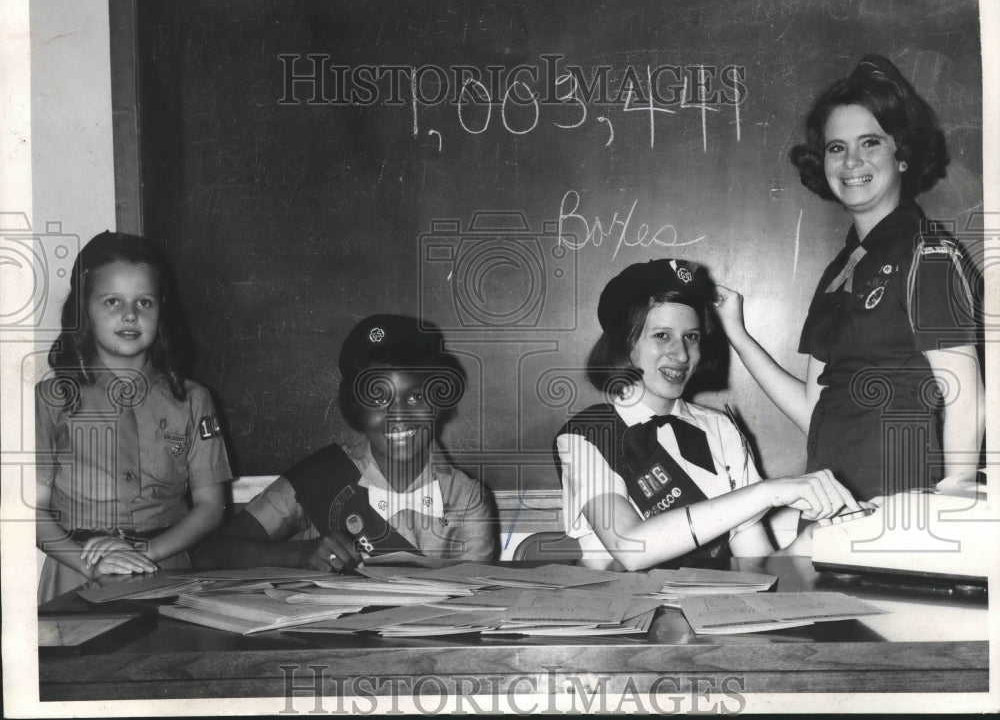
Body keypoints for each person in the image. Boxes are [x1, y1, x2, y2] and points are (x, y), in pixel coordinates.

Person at [715, 55, 984, 501]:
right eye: (836, 148)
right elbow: (813, 410)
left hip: (901, 506)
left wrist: (954, 496)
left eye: (870, 143)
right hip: (833, 504)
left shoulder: (929, 254)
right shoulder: (839, 271)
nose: (851, 161)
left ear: (902, 155)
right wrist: (738, 336)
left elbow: (965, 394)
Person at [555, 258, 862, 571]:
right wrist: (767, 492)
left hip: (712, 602)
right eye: (662, 335)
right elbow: (630, 548)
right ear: (625, 342)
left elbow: (754, 566)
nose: (681, 355)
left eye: (691, 336)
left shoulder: (720, 428)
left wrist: (809, 543)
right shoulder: (588, 434)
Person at [194, 314, 496, 571]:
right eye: (377, 398)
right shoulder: (323, 476)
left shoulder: (467, 500)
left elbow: (475, 602)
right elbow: (208, 553)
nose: (398, 416)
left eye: (415, 397)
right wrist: (298, 554)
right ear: (356, 409)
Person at [35, 231, 232, 603]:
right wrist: (88, 564)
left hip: (165, 568)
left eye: (144, 302)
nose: (130, 314)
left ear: (161, 311)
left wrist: (146, 553)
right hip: (76, 571)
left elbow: (211, 507)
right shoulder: (51, 399)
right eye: (112, 301)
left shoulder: (192, 399)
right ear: (84, 310)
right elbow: (29, 510)